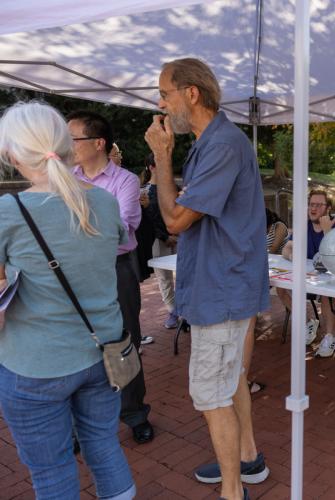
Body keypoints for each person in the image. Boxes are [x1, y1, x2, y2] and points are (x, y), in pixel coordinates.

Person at [145, 57, 269, 500]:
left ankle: (233, 491)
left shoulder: (220, 145)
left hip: (222, 289)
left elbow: (176, 218)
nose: (160, 103)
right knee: (230, 378)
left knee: (211, 391)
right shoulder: (210, 142)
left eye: (165, 93)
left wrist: (161, 158)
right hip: (222, 285)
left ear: (191, 94)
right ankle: (248, 459)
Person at [0, 101, 135, 499]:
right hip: (103, 353)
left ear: (12, 154)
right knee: (104, 447)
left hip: (35, 365)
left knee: (51, 469)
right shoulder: (105, 201)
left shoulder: (9, 211)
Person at [67, 110, 154, 444]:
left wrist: (78, 226)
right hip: (75, 272)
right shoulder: (64, 177)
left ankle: (134, 414)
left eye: (73, 139)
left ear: (98, 143)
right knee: (79, 346)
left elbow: (120, 229)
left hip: (115, 269)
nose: (67, 145)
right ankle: (80, 424)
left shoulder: (126, 181)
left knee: (124, 342)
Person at [278, 189, 335, 357]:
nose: (313, 209)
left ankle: (330, 336)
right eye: (311, 204)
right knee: (280, 288)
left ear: (328, 208)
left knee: (328, 294)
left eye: (319, 205)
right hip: (308, 277)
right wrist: (294, 257)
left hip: (329, 278)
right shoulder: (304, 225)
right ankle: (309, 323)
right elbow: (286, 247)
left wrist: (327, 232)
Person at [141, 153, 179, 329]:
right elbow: (148, 219)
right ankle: (173, 311)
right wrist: (165, 236)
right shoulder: (145, 190)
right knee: (164, 278)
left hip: (178, 237)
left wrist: (176, 234)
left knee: (183, 274)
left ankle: (184, 308)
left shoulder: (173, 187)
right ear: (151, 167)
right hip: (158, 240)